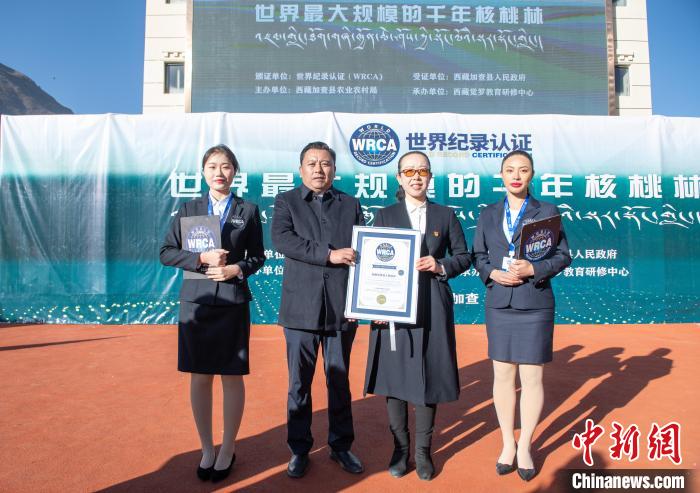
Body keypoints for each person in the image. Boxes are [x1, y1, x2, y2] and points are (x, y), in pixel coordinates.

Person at [160, 144, 265, 483]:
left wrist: (237, 269)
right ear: (204, 172)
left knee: (232, 377)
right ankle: (207, 448)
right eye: (212, 166)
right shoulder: (188, 209)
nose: (219, 172)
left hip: (232, 302)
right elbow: (166, 252)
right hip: (197, 302)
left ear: (235, 172)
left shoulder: (248, 210)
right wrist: (200, 260)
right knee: (200, 377)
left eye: (226, 166)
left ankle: (228, 447)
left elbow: (258, 257)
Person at [364, 150, 471, 481]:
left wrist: (440, 265)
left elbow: (464, 256)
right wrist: (374, 306)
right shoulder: (385, 215)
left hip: (433, 304)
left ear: (430, 177)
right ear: (399, 178)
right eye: (408, 171)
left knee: (428, 376)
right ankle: (400, 449)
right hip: (392, 306)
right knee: (395, 377)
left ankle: (423, 451)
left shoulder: (445, 215)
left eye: (422, 171)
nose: (416, 177)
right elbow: (372, 264)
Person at [471, 149, 571, 481]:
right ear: (501, 175)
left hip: (535, 301)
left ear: (532, 175)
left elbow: (563, 255)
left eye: (523, 170)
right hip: (500, 302)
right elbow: (478, 255)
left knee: (531, 378)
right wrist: (492, 273)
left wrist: (534, 269)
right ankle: (507, 443)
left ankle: (525, 444)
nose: (516, 175)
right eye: (510, 170)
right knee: (502, 375)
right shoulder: (488, 213)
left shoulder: (547, 211)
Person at [271, 141, 366, 478]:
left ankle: (341, 445)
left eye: (325, 163)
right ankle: (299, 449)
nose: (318, 169)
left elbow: (363, 252)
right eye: (311, 163)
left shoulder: (350, 204)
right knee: (299, 383)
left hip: (341, 308)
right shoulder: (287, 201)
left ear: (334, 170)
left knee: (338, 381)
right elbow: (283, 240)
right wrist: (328, 254)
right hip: (301, 308)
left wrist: (359, 300)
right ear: (301, 170)